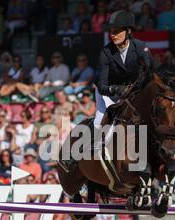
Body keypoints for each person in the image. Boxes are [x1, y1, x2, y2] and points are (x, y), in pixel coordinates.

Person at [58, 10, 152, 172]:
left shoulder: (140, 47)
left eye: (116, 31)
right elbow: (101, 84)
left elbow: (149, 72)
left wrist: (137, 88)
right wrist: (116, 89)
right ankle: (74, 156)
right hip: (109, 94)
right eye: (111, 32)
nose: (112, 35)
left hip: (133, 93)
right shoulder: (106, 52)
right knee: (99, 124)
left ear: (128, 31)